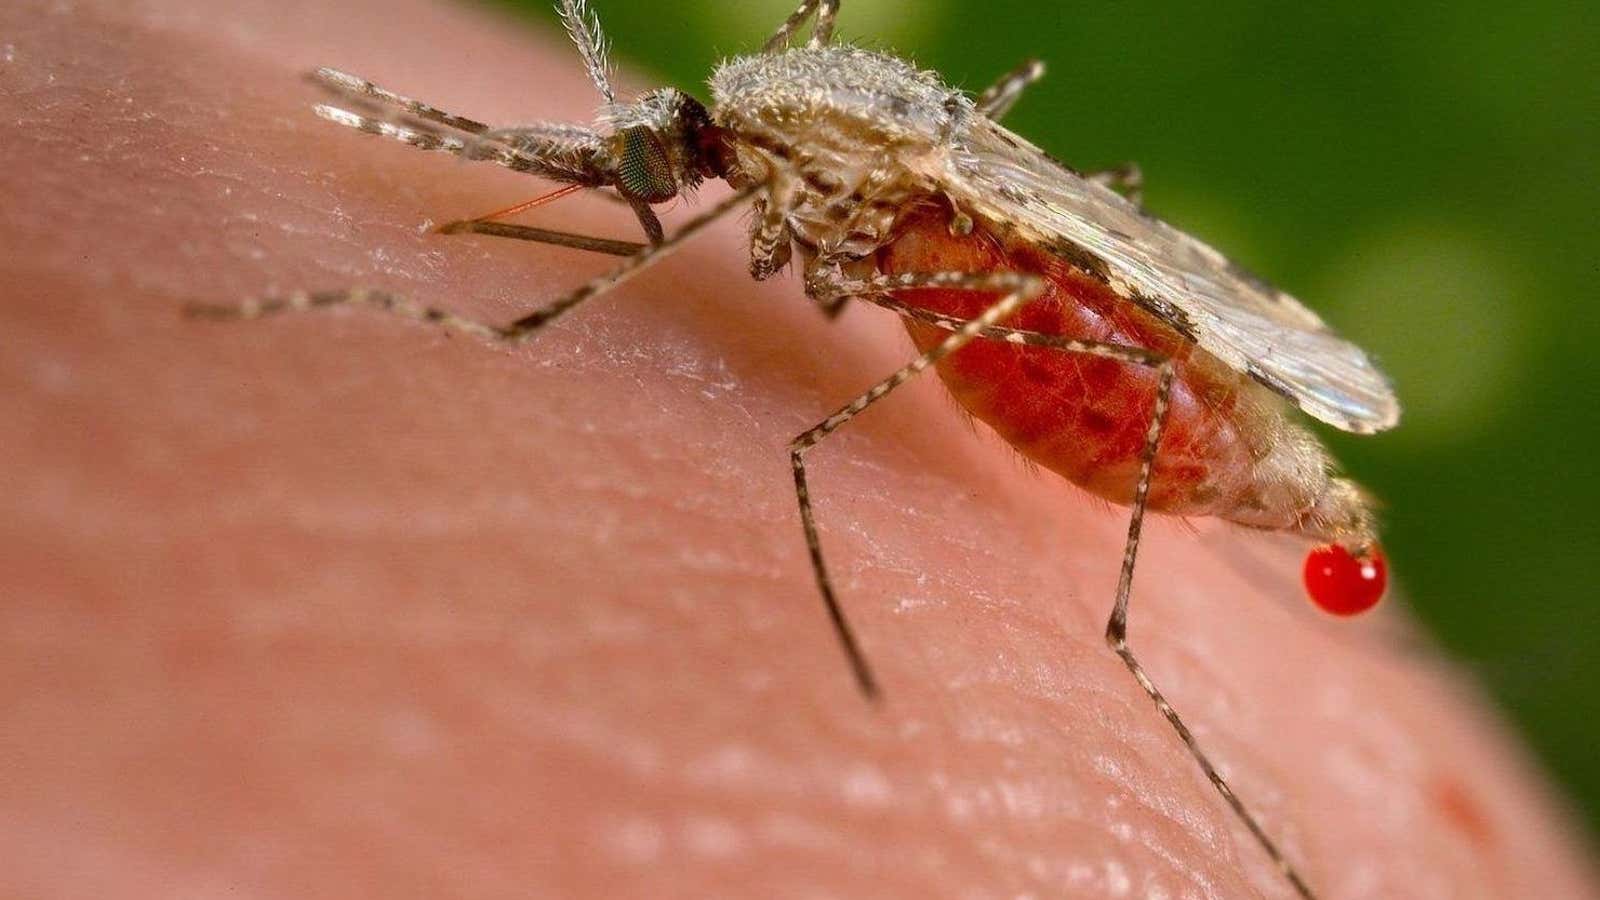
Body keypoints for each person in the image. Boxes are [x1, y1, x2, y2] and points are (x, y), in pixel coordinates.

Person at [3, 0, 1595, 895]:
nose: (645, 182)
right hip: (993, 264)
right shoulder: (780, 121)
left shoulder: (787, 143)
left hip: (1070, 325)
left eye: (648, 170)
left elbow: (705, 200)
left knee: (943, 372)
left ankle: (1144, 670)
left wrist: (812, 438)